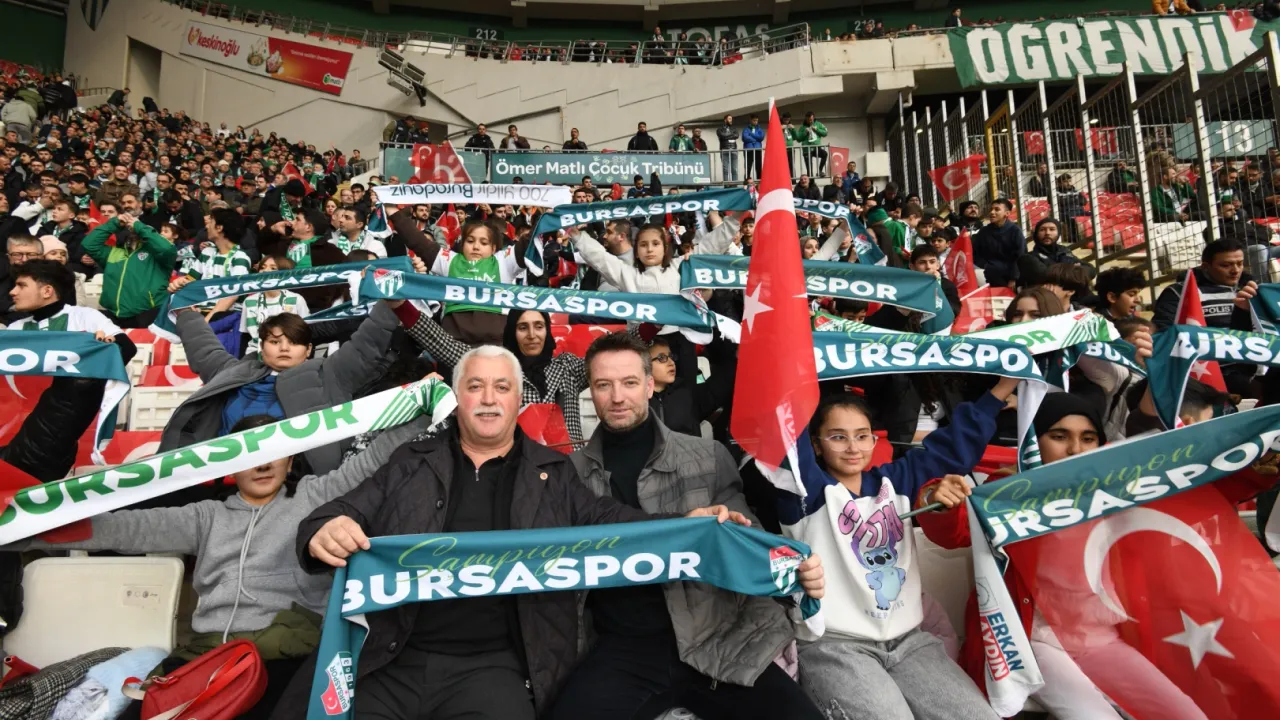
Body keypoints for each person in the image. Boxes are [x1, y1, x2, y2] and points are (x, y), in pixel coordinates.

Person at [291, 344, 754, 719]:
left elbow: (608, 521)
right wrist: (324, 530)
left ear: (518, 400)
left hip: (494, 668)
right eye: (475, 386)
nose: (488, 398)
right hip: (392, 659)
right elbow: (337, 513)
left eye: (502, 387)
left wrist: (683, 526)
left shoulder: (554, 471)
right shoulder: (410, 462)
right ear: (458, 396)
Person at [1, 407, 445, 719]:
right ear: (230, 465)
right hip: (206, 653)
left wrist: (425, 404)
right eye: (250, 455)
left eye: (274, 452)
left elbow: (376, 456)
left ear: (291, 458)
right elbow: (124, 528)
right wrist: (20, 528)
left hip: (286, 651)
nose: (264, 464)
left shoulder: (315, 496)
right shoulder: (205, 516)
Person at [552, 333, 825, 720]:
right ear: (590, 391)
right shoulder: (569, 474)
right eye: (603, 385)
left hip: (716, 640)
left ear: (649, 385)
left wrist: (796, 569)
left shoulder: (707, 455)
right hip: (622, 649)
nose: (617, 397)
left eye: (629, 382)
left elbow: (750, 540)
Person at [781, 375, 1019, 720]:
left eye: (862, 436)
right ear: (816, 445)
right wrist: (788, 377)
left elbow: (953, 447)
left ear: (874, 439)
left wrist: (1002, 388)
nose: (853, 447)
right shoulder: (805, 491)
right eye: (838, 437)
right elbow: (786, 437)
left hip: (910, 642)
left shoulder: (896, 481)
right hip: (835, 645)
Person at [162, 306, 400, 478]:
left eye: (293, 342)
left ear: (308, 349)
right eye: (275, 342)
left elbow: (365, 345)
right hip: (224, 480)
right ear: (261, 346)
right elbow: (204, 348)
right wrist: (186, 312)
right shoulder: (232, 371)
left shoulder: (330, 374)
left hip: (302, 485)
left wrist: (390, 304)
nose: (284, 348)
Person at [1, 260, 136, 481]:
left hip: (61, 427)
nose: (13, 292)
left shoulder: (85, 317)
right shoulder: (15, 329)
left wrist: (103, 348)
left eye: (21, 285)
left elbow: (126, 347)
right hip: (15, 425)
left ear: (47, 291)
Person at [392, 300, 590, 443]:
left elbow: (606, 359)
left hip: (568, 467)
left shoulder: (568, 368)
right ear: (512, 332)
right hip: (514, 467)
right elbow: (441, 343)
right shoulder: (495, 364)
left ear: (547, 330)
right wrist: (399, 305)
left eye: (539, 326)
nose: (532, 335)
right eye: (523, 327)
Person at [387, 205, 530, 345]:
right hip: (454, 345)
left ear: (493, 248)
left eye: (484, 243)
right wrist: (393, 212)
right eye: (470, 241)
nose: (476, 247)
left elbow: (529, 242)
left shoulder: (503, 262)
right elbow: (418, 242)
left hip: (495, 345)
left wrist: (545, 214)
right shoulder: (449, 261)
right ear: (462, 245)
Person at [80, 208, 177, 328]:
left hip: (147, 313)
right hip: (112, 314)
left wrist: (139, 226)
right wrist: (115, 223)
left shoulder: (159, 255)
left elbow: (166, 248)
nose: (133, 231)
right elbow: (89, 244)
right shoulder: (113, 252)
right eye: (130, 228)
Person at [239, 255, 311, 355]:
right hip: (255, 353)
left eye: (273, 268)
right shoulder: (249, 301)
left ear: (284, 274)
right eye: (262, 267)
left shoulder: (296, 300)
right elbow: (245, 336)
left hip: (288, 352)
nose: (265, 271)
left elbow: (306, 333)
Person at [1017, 217, 1093, 287]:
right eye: (1042, 230)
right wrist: (1073, 269)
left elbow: (1091, 270)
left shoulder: (1064, 251)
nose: (1047, 233)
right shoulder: (1028, 258)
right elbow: (1046, 276)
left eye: (1052, 229)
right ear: (1036, 234)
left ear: (1058, 233)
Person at [972, 199, 1024, 288]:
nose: (992, 212)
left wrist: (1013, 278)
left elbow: (1020, 256)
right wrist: (986, 265)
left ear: (1007, 213)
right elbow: (976, 253)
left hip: (1011, 273)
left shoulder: (1015, 231)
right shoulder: (984, 231)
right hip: (988, 271)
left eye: (997, 209)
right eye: (991, 209)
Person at [717, 114, 739, 182]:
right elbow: (722, 136)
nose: (731, 120)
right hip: (724, 150)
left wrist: (726, 136)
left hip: (734, 149)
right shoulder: (720, 129)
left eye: (731, 119)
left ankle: (734, 184)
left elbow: (737, 135)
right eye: (729, 119)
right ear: (725, 120)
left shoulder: (734, 128)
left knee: (734, 169)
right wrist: (732, 135)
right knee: (725, 169)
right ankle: (726, 184)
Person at [742, 114, 765, 180]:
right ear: (751, 120)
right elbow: (745, 137)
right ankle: (747, 180)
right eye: (754, 120)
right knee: (748, 166)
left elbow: (761, 137)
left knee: (758, 166)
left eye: (757, 120)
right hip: (749, 149)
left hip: (757, 149)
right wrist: (755, 139)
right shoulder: (746, 129)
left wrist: (751, 134)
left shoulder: (759, 129)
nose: (755, 122)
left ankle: (759, 180)